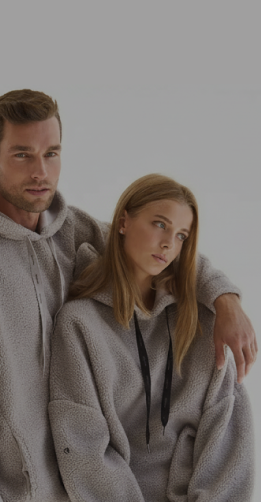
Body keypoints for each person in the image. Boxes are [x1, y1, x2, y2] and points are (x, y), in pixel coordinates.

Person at [0, 89, 256, 502]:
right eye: (22, 155)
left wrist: (225, 299)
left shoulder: (69, 230)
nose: (41, 171)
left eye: (51, 153)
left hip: (64, 487)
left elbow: (155, 251)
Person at [49, 174, 255, 501]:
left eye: (181, 235)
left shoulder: (200, 321)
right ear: (123, 222)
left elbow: (227, 435)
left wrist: (226, 299)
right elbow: (83, 447)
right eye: (160, 224)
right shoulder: (79, 323)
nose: (169, 244)